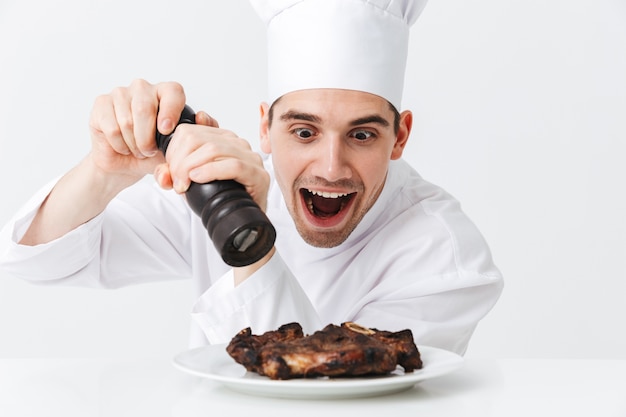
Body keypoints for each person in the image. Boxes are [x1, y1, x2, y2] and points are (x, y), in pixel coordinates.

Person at [0, 0, 503, 355]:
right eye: (304, 132)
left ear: (400, 137)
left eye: (362, 135)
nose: (330, 167)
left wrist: (250, 241)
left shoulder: (445, 257)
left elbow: (338, 396)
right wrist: (105, 170)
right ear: (265, 128)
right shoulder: (225, 187)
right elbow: (36, 259)